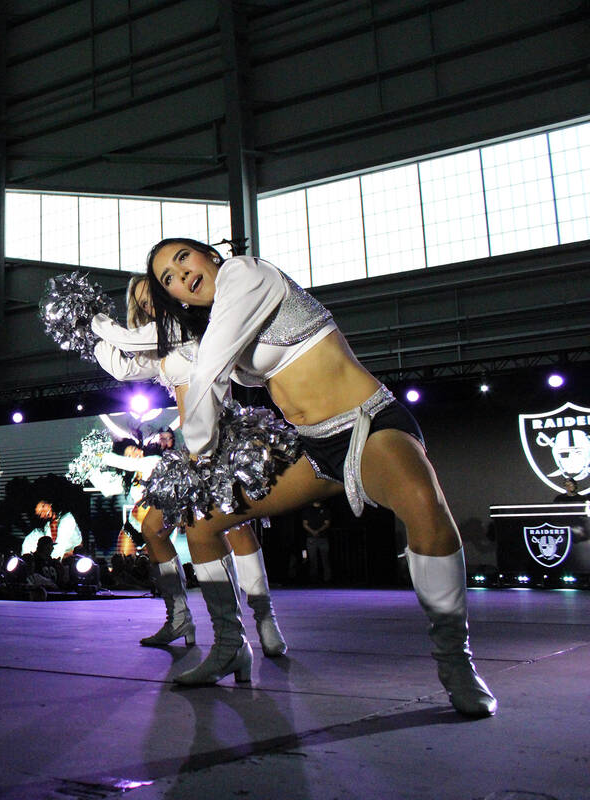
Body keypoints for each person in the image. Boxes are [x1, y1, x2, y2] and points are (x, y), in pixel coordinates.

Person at [135, 237, 494, 717]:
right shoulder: (217, 321)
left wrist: (199, 448)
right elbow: (148, 357)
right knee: (202, 524)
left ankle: (456, 662)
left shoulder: (246, 273)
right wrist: (100, 330)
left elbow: (208, 376)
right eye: (168, 279)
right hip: (314, 448)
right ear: (175, 297)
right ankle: (230, 646)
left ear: (211, 255)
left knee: (424, 505)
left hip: (368, 426)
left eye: (183, 259)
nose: (181, 275)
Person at [92, 276, 289, 656]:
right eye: (141, 301)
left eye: (153, 296)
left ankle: (264, 620)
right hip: (192, 451)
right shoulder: (158, 344)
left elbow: (132, 341)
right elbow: (124, 369)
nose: (149, 305)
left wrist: (99, 321)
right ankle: (179, 615)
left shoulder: (192, 326)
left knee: (237, 528)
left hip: (226, 440)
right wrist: (90, 333)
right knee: (152, 527)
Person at [301, 500, 333, 583]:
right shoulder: (308, 510)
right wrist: (313, 532)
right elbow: (305, 524)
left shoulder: (325, 509)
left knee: (325, 558)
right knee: (312, 559)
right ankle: (314, 578)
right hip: (311, 538)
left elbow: (327, 523)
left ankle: (327, 578)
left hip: (323, 537)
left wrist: (318, 531)